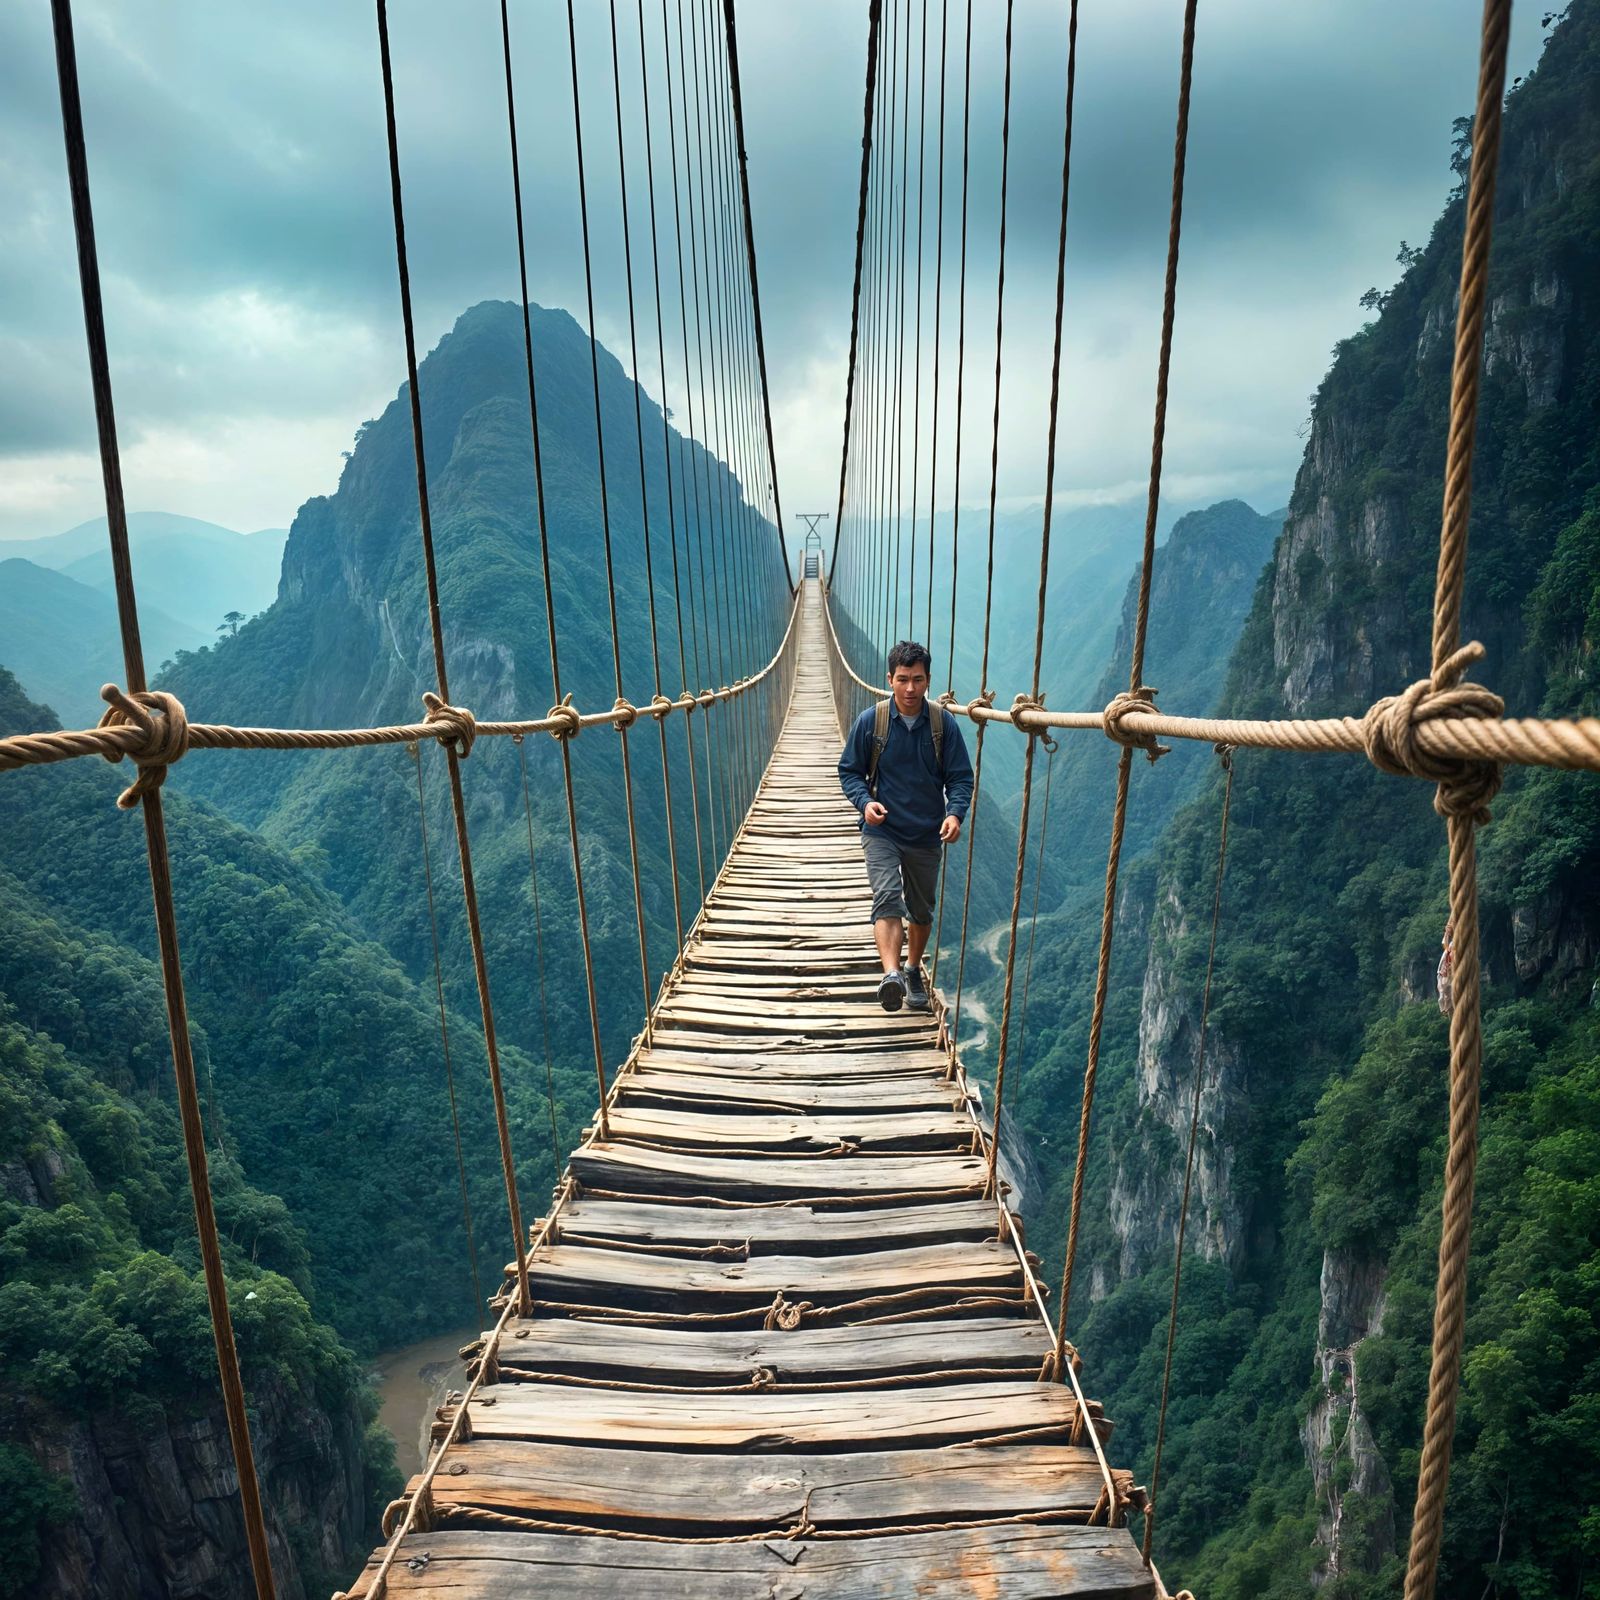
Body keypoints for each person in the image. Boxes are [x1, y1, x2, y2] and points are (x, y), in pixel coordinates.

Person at [837, 640, 974, 1012]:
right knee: (886, 898)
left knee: (921, 910)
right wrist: (865, 803)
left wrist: (954, 814)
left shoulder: (943, 725)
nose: (910, 688)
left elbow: (960, 778)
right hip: (882, 830)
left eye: (917, 679)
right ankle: (892, 975)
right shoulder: (872, 722)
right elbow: (849, 771)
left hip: (927, 832)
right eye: (902, 679)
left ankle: (912, 968)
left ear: (928, 680)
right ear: (890, 680)